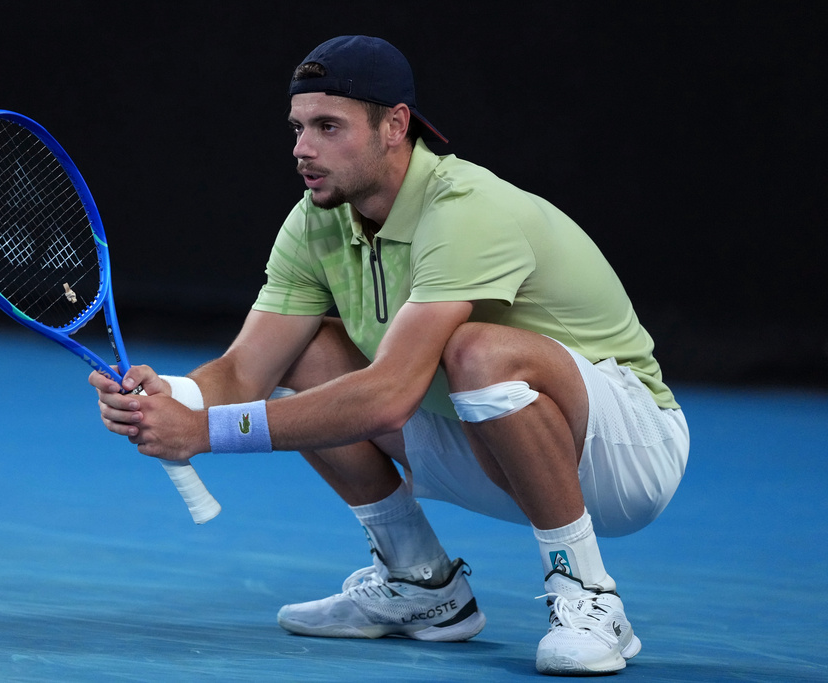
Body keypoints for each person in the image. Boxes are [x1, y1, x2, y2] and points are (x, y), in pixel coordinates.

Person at [90, 35, 689, 676]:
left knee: (476, 350)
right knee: (306, 353)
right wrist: (173, 400)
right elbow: (244, 371)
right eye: (297, 128)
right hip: (485, 447)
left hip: (623, 452)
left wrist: (205, 432)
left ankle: (588, 593)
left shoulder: (466, 209)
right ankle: (421, 583)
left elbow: (388, 398)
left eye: (328, 127)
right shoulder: (315, 221)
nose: (302, 148)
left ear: (395, 126)